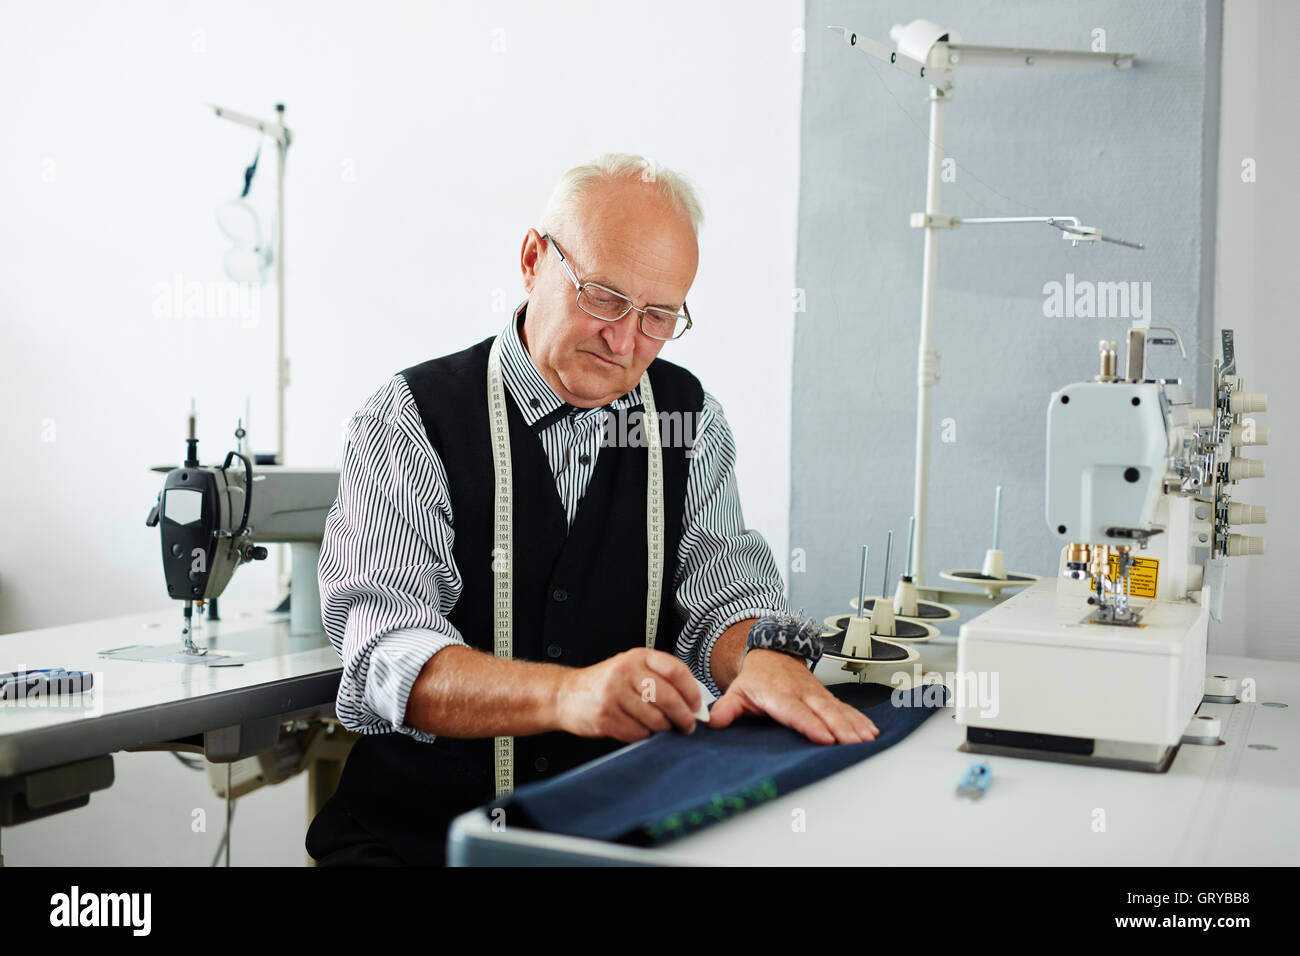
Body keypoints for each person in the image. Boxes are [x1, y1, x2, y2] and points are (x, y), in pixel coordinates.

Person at [305, 154, 878, 866]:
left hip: (611, 830)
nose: (624, 340)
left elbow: (725, 597)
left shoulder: (686, 418)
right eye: (604, 297)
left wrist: (763, 654)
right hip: (414, 840)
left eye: (659, 316)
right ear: (532, 259)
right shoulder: (413, 419)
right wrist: (567, 696)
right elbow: (386, 657)